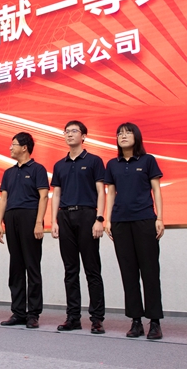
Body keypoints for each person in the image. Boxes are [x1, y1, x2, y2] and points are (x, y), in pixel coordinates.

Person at [104, 123, 164, 339]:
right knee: (128, 272)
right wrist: (108, 219)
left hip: (145, 219)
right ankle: (135, 320)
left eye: (127, 133)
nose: (123, 136)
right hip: (120, 222)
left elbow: (156, 190)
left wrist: (160, 218)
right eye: (119, 133)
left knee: (150, 271)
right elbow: (111, 193)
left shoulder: (148, 160)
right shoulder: (112, 164)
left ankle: (155, 321)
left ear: (136, 137)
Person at [51, 121, 106, 334]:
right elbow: (56, 194)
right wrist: (54, 221)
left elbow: (101, 191)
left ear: (83, 136)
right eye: (67, 131)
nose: (69, 134)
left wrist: (99, 219)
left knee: (92, 269)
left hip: (87, 215)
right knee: (70, 270)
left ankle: (97, 318)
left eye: (74, 131)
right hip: (65, 216)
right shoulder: (60, 165)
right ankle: (73, 317)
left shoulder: (94, 161)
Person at [0, 132, 49, 329]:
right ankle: (18, 312)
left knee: (32, 266)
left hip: (29, 217)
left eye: (14, 144)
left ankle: (33, 313)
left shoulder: (37, 169)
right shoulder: (8, 172)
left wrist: (39, 222)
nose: (10, 148)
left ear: (24, 147)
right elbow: (3, 199)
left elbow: (43, 197)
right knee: (16, 266)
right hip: (11, 218)